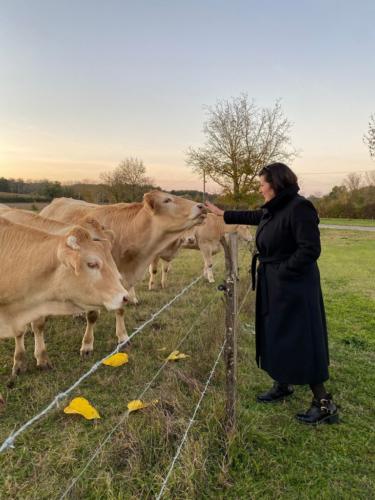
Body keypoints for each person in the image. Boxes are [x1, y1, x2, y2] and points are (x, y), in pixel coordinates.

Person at [205, 163, 338, 425]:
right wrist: (223, 214)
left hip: (296, 286)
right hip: (275, 283)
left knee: (301, 338)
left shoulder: (300, 207)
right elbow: (258, 218)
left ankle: (324, 403)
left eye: (262, 183)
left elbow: (310, 250)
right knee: (276, 332)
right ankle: (283, 384)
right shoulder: (275, 208)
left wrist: (282, 271)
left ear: (275, 184)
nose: (259, 187)